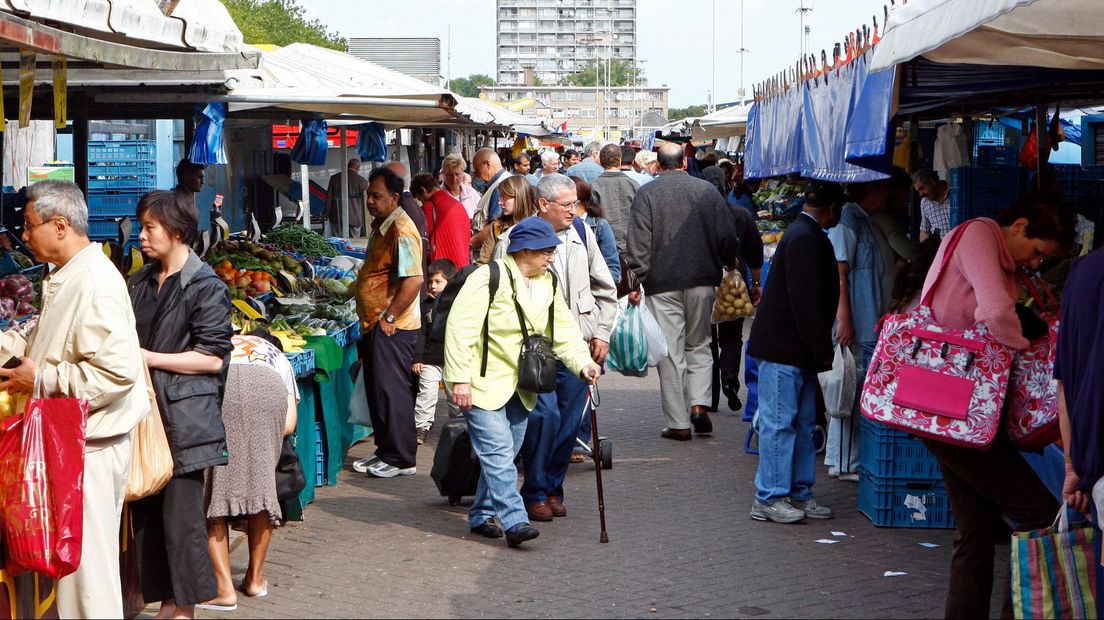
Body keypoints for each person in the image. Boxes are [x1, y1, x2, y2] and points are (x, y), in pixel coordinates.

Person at [921, 193, 1074, 619]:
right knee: (1038, 515)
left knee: (976, 528)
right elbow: (993, 311)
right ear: (1021, 226)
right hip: (960, 412)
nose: (1034, 264)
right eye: (1037, 252)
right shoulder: (979, 235)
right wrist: (1032, 349)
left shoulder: (998, 253)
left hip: (955, 412)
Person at [0, 180, 147, 618]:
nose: (23, 236)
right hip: (72, 445)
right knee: (75, 569)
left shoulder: (95, 282)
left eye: (29, 226)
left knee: (88, 577)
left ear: (60, 225)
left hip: (89, 450)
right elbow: (48, 335)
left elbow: (117, 372)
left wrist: (42, 378)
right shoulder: (67, 276)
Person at [444, 217, 602, 547]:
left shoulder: (548, 282)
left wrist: (583, 364)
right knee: (499, 452)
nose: (551, 257)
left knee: (504, 451)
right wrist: (459, 380)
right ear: (524, 251)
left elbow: (563, 330)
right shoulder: (488, 277)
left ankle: (481, 513)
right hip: (482, 382)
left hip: (523, 384)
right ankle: (515, 520)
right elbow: (460, 331)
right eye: (546, 251)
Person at [129, 190, 234, 619]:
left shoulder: (205, 285)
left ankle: (183, 608)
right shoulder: (140, 282)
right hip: (144, 416)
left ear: (175, 231)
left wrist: (150, 358)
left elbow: (211, 356)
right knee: (150, 519)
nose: (141, 236)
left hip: (185, 422)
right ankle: (167, 605)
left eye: (149, 227)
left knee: (182, 520)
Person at [494, 174, 616, 521]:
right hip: (535, 348)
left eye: (576, 204)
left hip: (576, 343)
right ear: (543, 205)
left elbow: (605, 286)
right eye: (567, 205)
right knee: (544, 417)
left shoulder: (582, 233)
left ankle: (552, 488)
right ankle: (533, 490)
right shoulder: (513, 239)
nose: (574, 211)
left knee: (567, 423)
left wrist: (602, 332)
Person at [625, 142, 739, 440]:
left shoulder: (647, 193)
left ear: (658, 165)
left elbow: (637, 242)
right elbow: (726, 235)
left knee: (671, 350)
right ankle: (699, 404)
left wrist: (635, 279)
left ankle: (678, 422)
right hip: (703, 278)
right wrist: (727, 262)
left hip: (661, 283)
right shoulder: (707, 192)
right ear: (685, 163)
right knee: (700, 343)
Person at [747, 181, 845, 524]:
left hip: (794, 350)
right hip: (785, 349)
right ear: (831, 208)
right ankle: (770, 497)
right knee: (781, 424)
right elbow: (804, 303)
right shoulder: (806, 239)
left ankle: (799, 492)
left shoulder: (803, 235)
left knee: (801, 423)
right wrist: (820, 350)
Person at [202, 331, 299, 611]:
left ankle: (223, 590)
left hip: (224, 385)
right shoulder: (278, 357)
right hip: (268, 391)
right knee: (262, 488)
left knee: (214, 485)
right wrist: (258, 448)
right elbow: (290, 424)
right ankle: (255, 580)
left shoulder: (225, 341)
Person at [352, 167, 425, 478]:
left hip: (393, 326)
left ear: (394, 198)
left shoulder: (402, 230)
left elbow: (414, 279)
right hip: (376, 322)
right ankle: (385, 450)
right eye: (369, 195)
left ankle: (401, 458)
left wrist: (390, 317)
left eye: (376, 196)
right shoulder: (383, 224)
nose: (370, 200)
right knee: (379, 391)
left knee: (392, 391)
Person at [825, 179, 893, 481]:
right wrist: (845, 320)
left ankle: (842, 458)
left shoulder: (864, 221)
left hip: (868, 321)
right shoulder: (847, 222)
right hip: (856, 323)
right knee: (848, 392)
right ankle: (843, 462)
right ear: (874, 192)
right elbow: (840, 272)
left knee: (852, 390)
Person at [703, 166, 763, 413]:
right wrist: (757, 284)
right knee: (732, 337)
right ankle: (729, 379)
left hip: (703, 281)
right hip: (733, 282)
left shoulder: (698, 217)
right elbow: (755, 252)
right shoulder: (739, 214)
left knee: (705, 341)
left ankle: (709, 396)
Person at [412, 258, 460, 445]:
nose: (433, 286)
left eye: (438, 282)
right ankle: (421, 428)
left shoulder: (457, 304)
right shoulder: (424, 307)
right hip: (430, 360)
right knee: (426, 394)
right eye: (430, 281)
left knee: (455, 397)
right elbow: (421, 333)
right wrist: (418, 358)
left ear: (450, 282)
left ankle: (458, 427)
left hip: (451, 360)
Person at [411, 172, 471, 269]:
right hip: (463, 268)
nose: (421, 202)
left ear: (423, 191)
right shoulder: (458, 205)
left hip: (443, 273)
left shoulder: (429, 207)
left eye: (420, 199)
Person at [478, 174, 541, 265]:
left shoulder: (538, 225)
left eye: (504, 198)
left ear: (519, 196)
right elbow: (484, 261)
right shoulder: (497, 227)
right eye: (500, 198)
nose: (500, 202)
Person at [571, 176, 620, 283]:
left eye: (568, 203)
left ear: (579, 202)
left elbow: (614, 269)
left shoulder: (599, 225)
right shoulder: (561, 225)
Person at [590, 143, 639, 252]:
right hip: (631, 243)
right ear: (620, 160)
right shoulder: (634, 184)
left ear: (600, 161)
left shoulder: (595, 186)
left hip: (605, 243)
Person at [470, 148, 511, 253]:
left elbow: (495, 225)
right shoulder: (498, 184)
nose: (476, 175)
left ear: (486, 164)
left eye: (477, 170)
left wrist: (471, 243)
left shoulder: (500, 186)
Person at [324, 158, 369, 237]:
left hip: (337, 217)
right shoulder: (363, 181)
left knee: (338, 244)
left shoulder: (334, 178)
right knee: (354, 245)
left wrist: (326, 213)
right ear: (358, 168)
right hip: (355, 218)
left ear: (348, 165)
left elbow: (329, 198)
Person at [912, 169, 951, 241]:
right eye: (918, 191)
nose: (921, 194)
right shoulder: (924, 202)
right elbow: (924, 231)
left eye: (922, 188)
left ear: (932, 182)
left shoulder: (955, 191)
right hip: (941, 250)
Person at [441, 153, 481, 220]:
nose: (454, 179)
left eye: (457, 174)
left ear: (463, 173)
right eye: (449, 175)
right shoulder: (439, 196)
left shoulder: (471, 193)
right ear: (443, 174)